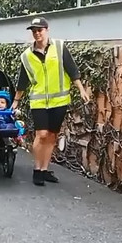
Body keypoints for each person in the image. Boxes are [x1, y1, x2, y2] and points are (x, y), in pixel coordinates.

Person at [10, 17, 91, 187]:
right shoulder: (26, 56)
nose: (37, 33)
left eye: (40, 30)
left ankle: (45, 170)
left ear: (47, 30)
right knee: (42, 135)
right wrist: (16, 100)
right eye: (34, 31)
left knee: (53, 136)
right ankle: (37, 169)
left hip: (59, 100)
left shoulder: (60, 47)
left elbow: (72, 70)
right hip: (38, 101)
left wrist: (81, 89)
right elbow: (22, 80)